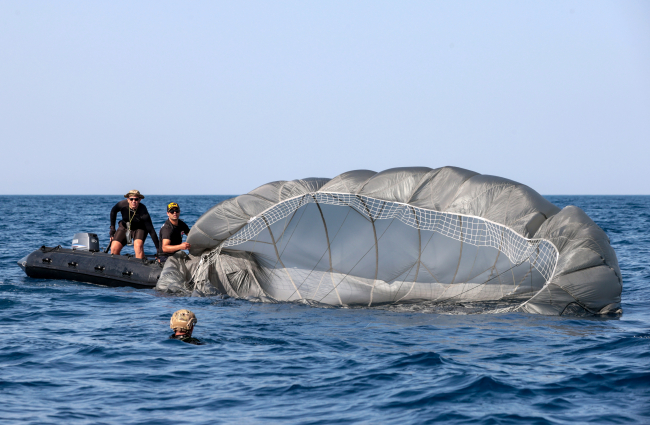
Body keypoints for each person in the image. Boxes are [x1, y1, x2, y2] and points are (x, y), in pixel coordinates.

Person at [109, 190, 161, 259]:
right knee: (114, 249)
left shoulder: (143, 211)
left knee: (138, 246)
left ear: (140, 200)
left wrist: (158, 249)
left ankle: (141, 265)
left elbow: (151, 230)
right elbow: (113, 211)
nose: (133, 201)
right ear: (128, 199)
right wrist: (112, 229)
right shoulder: (121, 204)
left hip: (140, 228)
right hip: (125, 227)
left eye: (136, 199)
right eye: (131, 199)